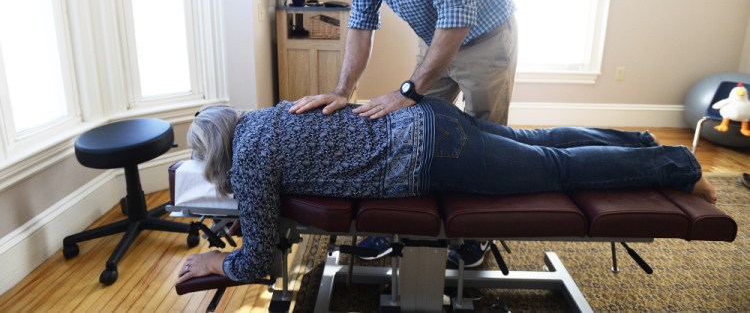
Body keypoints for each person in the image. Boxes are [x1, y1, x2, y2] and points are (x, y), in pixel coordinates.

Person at [175, 100, 716, 285]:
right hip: (430, 118)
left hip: (435, 155)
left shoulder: (247, 161)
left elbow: (254, 265)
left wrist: (215, 264)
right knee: (542, 141)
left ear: (218, 155)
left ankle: (676, 165)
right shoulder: (274, 112)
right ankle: (643, 142)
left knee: (554, 168)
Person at [290, 0, 518, 266]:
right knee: (411, 131)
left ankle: (477, 234)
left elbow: (457, 18)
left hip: (484, 38)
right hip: (435, 39)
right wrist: (343, 90)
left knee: (487, 140)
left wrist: (409, 89)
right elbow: (361, 22)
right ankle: (404, 224)